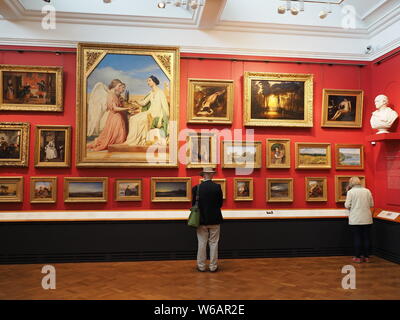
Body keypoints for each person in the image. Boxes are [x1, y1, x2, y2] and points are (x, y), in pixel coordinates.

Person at [192, 168, 223, 272]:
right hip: (215, 219)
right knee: (214, 243)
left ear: (203, 175)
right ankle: (213, 266)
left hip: (201, 220)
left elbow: (194, 205)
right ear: (212, 175)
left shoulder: (197, 188)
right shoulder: (217, 187)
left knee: (202, 242)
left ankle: (201, 266)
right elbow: (220, 204)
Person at [124, 75, 169, 146]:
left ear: (154, 81)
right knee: (132, 118)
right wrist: (136, 101)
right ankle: (131, 141)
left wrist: (161, 119)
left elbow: (165, 108)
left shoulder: (161, 93)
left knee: (138, 120)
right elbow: (144, 102)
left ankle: (136, 140)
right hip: (149, 112)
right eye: (147, 81)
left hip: (156, 114)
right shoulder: (151, 93)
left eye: (149, 80)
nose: (148, 82)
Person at [88, 79, 130, 151]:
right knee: (115, 136)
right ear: (114, 86)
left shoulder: (116, 94)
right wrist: (126, 109)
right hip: (115, 117)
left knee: (119, 135)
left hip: (119, 116)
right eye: (119, 85)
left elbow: (120, 104)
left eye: (121, 86)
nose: (120, 87)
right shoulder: (110, 95)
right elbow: (114, 108)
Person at [344, 176, 374, 263]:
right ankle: (366, 257)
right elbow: (371, 204)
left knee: (357, 238)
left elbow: (347, 205)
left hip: (355, 219)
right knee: (366, 238)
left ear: (351, 183)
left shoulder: (350, 192)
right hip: (367, 218)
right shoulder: (367, 191)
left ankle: (357, 257)